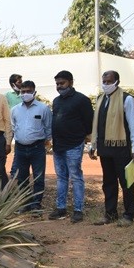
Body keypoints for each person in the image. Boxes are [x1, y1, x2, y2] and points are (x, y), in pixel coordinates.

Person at [90, 70, 134, 226]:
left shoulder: (127, 99)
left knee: (126, 182)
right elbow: (98, 124)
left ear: (117, 82)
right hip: (105, 148)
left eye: (109, 82)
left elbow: (133, 125)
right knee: (108, 182)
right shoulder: (100, 99)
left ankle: (128, 215)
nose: (105, 85)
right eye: (104, 81)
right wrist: (92, 144)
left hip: (122, 148)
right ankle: (110, 214)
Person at [50, 70, 94, 223]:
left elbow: (89, 122)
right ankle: (61, 208)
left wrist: (88, 141)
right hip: (58, 146)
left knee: (76, 177)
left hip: (74, 145)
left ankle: (78, 210)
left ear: (71, 82)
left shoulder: (82, 100)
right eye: (57, 84)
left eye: (62, 83)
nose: (59, 86)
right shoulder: (56, 101)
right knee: (61, 178)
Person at [10, 80, 52, 213]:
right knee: (22, 178)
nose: (26, 94)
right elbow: (13, 128)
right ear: (20, 92)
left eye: (29, 91)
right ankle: (25, 203)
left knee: (38, 177)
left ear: (34, 92)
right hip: (20, 148)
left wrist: (46, 143)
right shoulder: (15, 110)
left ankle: (36, 204)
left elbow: (48, 127)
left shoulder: (43, 108)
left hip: (37, 148)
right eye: (23, 91)